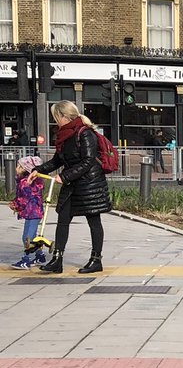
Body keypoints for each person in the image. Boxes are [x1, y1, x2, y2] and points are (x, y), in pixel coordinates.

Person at [35, 101, 112, 274]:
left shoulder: (85, 133)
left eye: (56, 117)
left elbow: (88, 161)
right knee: (63, 218)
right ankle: (57, 259)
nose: (55, 121)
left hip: (89, 184)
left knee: (94, 220)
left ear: (63, 116)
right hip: (72, 183)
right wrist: (36, 170)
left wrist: (64, 176)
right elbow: (57, 160)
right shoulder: (63, 135)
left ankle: (96, 259)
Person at [8, 155, 47, 269]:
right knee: (32, 237)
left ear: (25, 169)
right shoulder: (35, 181)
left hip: (31, 212)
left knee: (27, 238)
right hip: (36, 212)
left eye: (18, 166)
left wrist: (16, 206)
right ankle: (40, 256)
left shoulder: (25, 182)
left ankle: (26, 259)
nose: (16, 168)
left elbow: (24, 199)